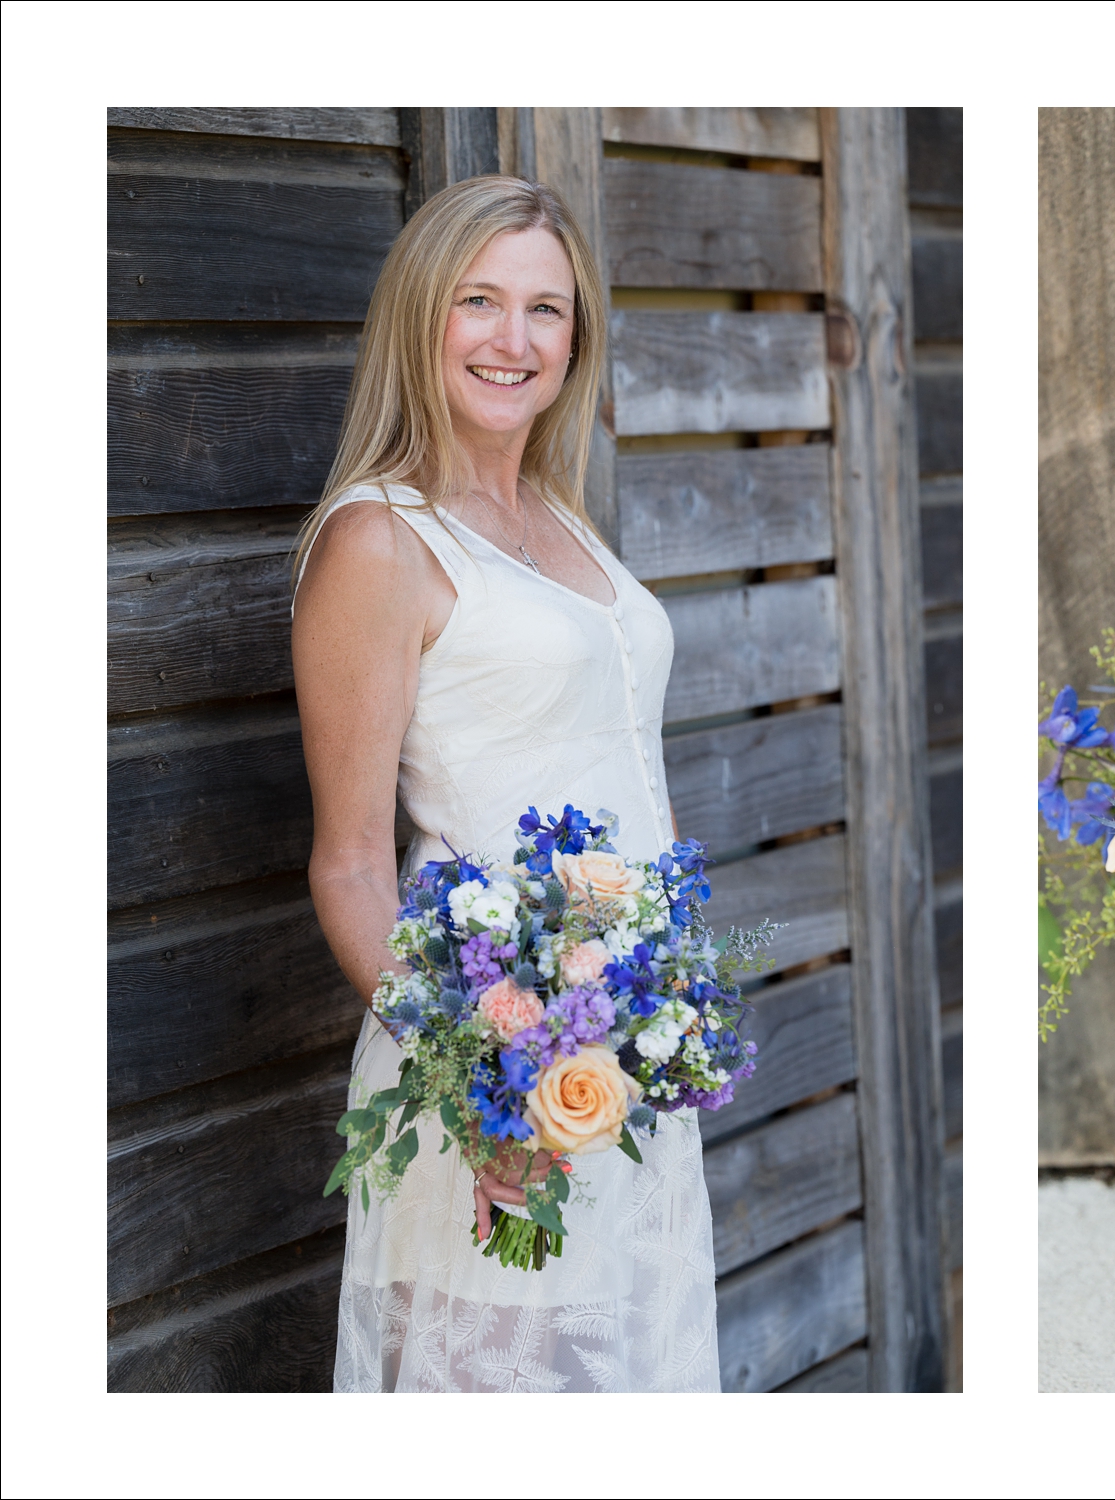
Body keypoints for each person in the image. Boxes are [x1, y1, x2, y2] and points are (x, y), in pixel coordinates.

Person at [292, 175, 719, 1392]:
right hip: (493, 1059)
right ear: (422, 317)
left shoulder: (558, 517)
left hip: (616, 1055)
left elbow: (628, 758)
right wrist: (481, 1095)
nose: (512, 338)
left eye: (546, 308)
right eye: (478, 300)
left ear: (576, 336)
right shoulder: (381, 540)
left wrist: (669, 1006)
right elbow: (354, 864)